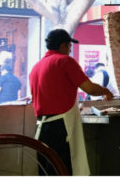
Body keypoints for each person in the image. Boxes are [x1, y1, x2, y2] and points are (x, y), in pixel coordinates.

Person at [29, 29, 113, 175]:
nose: (69, 50)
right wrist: (106, 91)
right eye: (69, 47)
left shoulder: (36, 67)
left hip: (41, 127)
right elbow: (90, 89)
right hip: (61, 126)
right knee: (64, 168)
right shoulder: (65, 61)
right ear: (63, 46)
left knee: (47, 170)